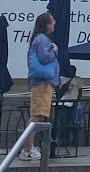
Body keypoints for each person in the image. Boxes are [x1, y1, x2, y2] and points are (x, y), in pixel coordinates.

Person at [21, 12, 59, 161]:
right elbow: (45, 58)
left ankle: (28, 148)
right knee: (37, 115)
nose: (54, 23)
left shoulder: (37, 39)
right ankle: (27, 149)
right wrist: (54, 51)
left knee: (38, 114)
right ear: (47, 24)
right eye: (52, 21)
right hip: (42, 82)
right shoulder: (43, 40)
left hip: (41, 82)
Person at [53, 64, 82, 153]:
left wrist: (77, 100)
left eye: (74, 70)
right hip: (64, 103)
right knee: (63, 122)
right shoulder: (62, 79)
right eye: (70, 70)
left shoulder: (78, 80)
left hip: (74, 102)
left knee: (74, 122)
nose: (72, 72)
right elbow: (58, 92)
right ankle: (63, 140)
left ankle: (74, 141)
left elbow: (80, 91)